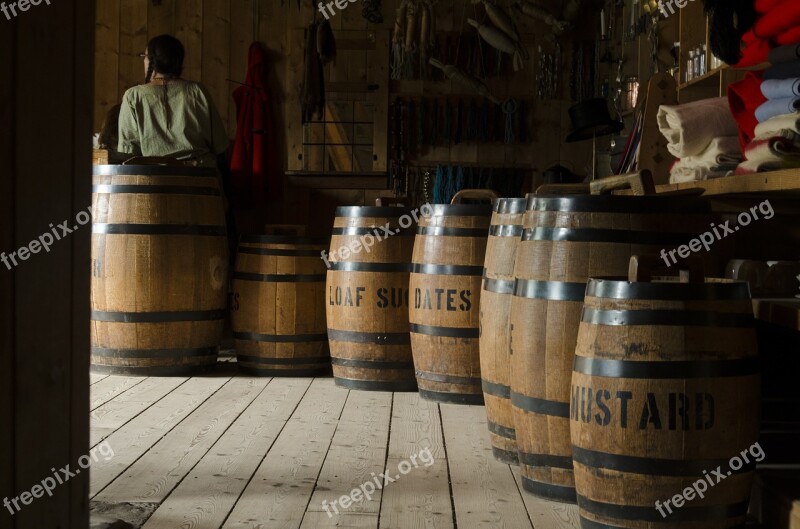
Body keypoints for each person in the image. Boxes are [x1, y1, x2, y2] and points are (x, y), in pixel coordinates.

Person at [117, 34, 229, 167]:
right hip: (199, 177)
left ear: (151, 61)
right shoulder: (197, 91)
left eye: (145, 56)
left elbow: (127, 152)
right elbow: (220, 145)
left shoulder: (133, 96)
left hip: (154, 180)